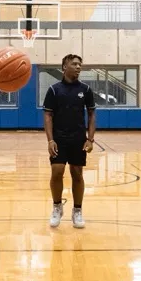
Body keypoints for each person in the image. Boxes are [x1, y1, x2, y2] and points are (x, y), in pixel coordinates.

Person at [43, 54, 96, 230]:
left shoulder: (86, 90)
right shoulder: (53, 89)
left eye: (80, 64)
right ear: (64, 67)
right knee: (57, 171)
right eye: (74, 64)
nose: (78, 67)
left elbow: (91, 114)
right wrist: (50, 140)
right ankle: (57, 207)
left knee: (77, 173)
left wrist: (90, 139)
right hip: (59, 138)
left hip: (78, 138)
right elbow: (48, 116)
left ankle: (77, 210)